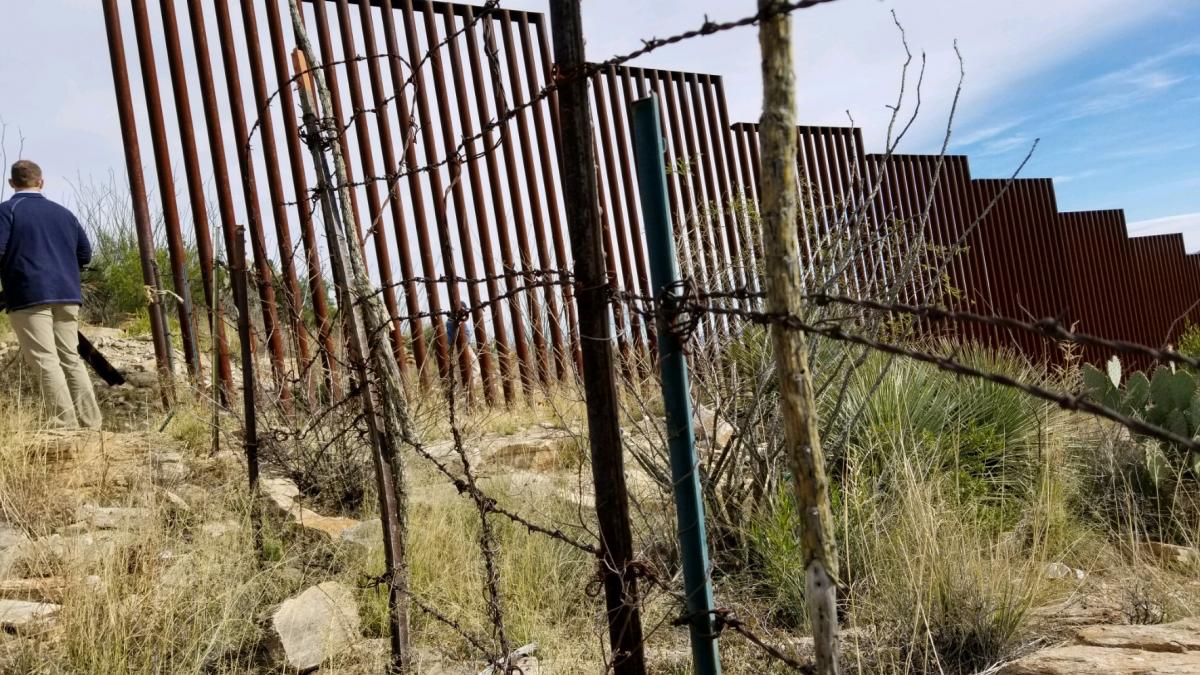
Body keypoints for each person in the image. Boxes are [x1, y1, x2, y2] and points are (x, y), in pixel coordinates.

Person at [0, 160, 102, 429]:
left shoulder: (7, 211)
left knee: (46, 361)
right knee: (70, 357)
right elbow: (85, 254)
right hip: (68, 294)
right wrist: (62, 271)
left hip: (28, 296)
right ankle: (91, 425)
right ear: (41, 181)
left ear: (12, 183)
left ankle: (64, 427)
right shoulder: (64, 213)